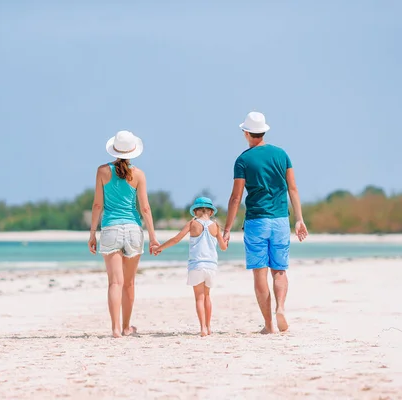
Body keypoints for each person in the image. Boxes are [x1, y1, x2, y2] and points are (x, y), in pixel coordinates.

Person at [223, 111, 308, 334]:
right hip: (281, 220)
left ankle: (269, 324)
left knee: (259, 272)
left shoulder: (243, 160)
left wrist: (226, 228)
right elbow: (293, 188)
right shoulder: (282, 155)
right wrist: (299, 219)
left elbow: (235, 198)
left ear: (246, 133)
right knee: (279, 270)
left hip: (256, 222)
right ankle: (280, 307)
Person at [88, 130, 160, 338]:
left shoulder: (102, 171)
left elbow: (97, 204)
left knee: (114, 283)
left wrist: (92, 233)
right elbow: (145, 208)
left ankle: (115, 329)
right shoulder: (138, 174)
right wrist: (153, 238)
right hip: (133, 230)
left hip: (110, 229)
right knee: (129, 283)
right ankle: (127, 326)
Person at [152, 197, 227, 337]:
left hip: (197, 264)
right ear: (210, 212)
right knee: (207, 296)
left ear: (196, 211)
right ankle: (209, 327)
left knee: (199, 297)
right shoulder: (215, 226)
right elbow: (223, 247)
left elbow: (176, 239)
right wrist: (225, 240)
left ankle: (202, 328)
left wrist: (160, 248)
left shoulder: (192, 223)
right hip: (211, 266)